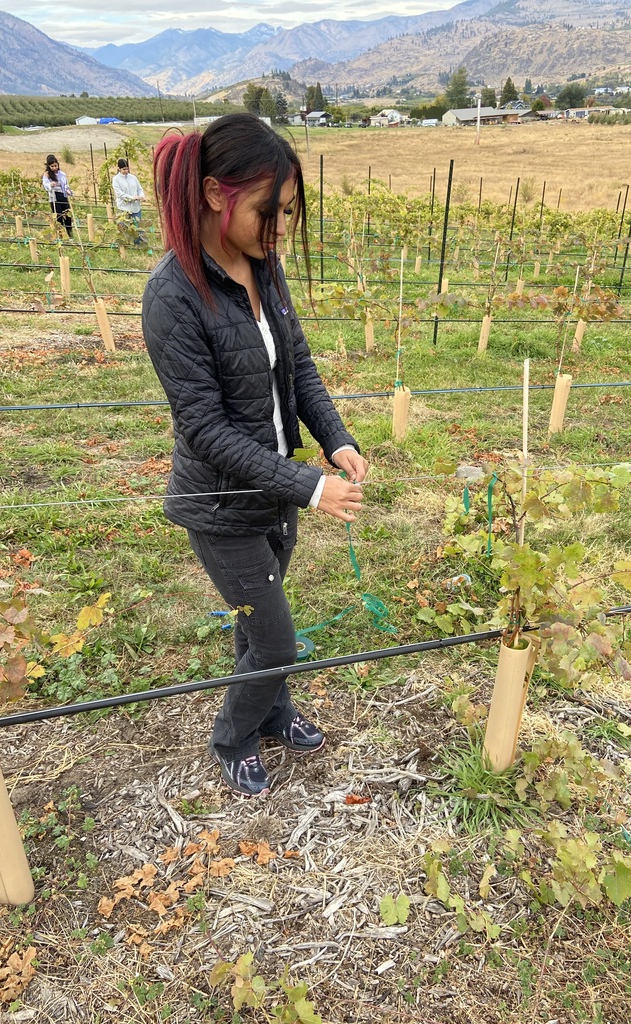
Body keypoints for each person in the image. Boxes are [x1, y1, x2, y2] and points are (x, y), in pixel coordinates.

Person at [142, 113, 368, 797]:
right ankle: (233, 737)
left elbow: (295, 365)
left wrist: (335, 437)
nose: (282, 228)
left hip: (274, 492)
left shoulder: (263, 269)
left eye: (290, 212)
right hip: (221, 506)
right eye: (272, 210)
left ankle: (274, 713)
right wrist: (311, 487)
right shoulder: (173, 296)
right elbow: (205, 430)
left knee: (256, 626)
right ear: (216, 193)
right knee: (273, 640)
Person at [112, 157, 146, 244]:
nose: (126, 171)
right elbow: (120, 194)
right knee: (123, 226)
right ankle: (124, 244)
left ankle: (138, 244)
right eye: (124, 169)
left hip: (135, 207)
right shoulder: (116, 179)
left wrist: (141, 196)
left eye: (127, 169)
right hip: (124, 208)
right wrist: (132, 198)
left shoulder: (133, 178)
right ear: (119, 169)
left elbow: (139, 189)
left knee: (137, 226)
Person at [42, 154, 73, 238]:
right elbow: (45, 185)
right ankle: (61, 236)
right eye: (52, 166)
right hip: (54, 198)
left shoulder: (62, 174)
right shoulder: (47, 175)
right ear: (49, 166)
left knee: (68, 215)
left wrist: (69, 191)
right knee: (59, 217)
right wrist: (50, 184)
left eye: (55, 165)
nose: (54, 168)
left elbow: (66, 185)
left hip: (63, 196)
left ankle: (70, 235)